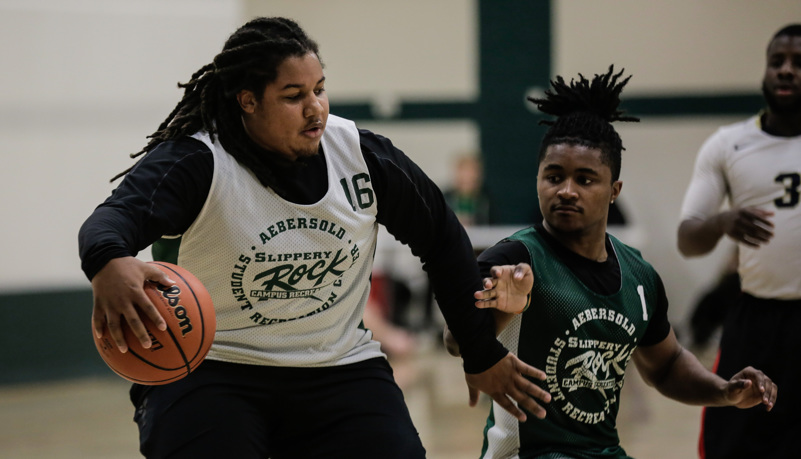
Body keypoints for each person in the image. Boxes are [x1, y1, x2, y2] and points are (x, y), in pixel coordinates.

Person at [78, 17, 550, 459]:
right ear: (248, 100)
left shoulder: (362, 155)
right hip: (213, 367)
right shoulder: (197, 160)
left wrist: (481, 352)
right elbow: (109, 222)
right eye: (293, 95)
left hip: (338, 365)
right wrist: (107, 261)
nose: (315, 108)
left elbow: (444, 239)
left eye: (320, 90)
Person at [444, 66, 777, 459]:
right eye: (554, 176)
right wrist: (502, 313)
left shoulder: (639, 275)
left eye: (585, 179)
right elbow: (455, 340)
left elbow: (666, 365)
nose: (567, 190)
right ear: (538, 180)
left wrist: (724, 392)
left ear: (614, 189)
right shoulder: (514, 258)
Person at [677, 23, 801, 459]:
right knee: (731, 443)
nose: (786, 71)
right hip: (756, 319)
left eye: (798, 63)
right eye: (777, 62)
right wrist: (721, 222)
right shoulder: (729, 144)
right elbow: (688, 239)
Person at [443, 153, 491, 226]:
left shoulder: (485, 199)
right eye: (465, 171)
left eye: (472, 171)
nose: (468, 176)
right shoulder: (445, 198)